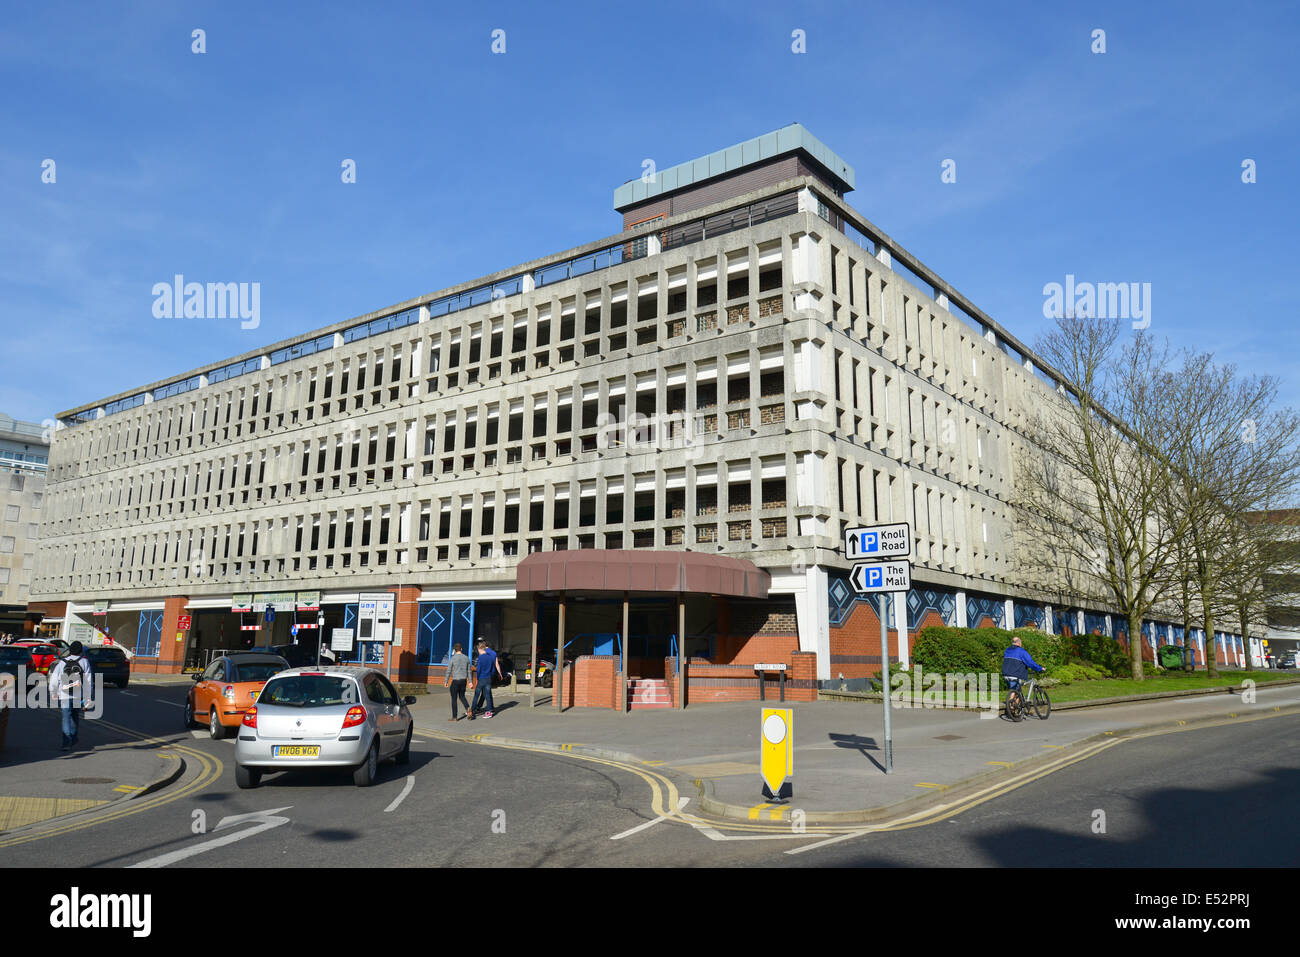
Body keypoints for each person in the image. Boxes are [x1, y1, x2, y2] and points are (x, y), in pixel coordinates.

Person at [47, 640, 93, 751]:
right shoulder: (84, 662)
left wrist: (53, 692)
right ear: (80, 651)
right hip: (78, 695)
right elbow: (88, 681)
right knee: (75, 717)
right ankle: (73, 737)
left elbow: (54, 679)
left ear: (70, 650)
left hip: (64, 695)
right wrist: (88, 696)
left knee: (66, 718)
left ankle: (66, 742)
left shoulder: (62, 662)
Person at [1001, 635, 1043, 705]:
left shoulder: (1007, 650)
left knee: (1017, 691)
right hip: (1015, 674)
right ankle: (1010, 707)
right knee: (1014, 691)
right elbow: (1030, 663)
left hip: (1006, 674)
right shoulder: (1022, 651)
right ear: (1019, 643)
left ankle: (1016, 711)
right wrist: (1040, 668)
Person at [468, 640, 502, 720]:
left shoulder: (480, 658)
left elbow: (479, 669)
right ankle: (489, 712)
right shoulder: (490, 657)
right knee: (487, 695)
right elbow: (493, 669)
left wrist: (478, 678)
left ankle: (473, 710)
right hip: (488, 678)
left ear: (480, 649)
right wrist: (490, 675)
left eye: (478, 650)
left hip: (482, 678)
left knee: (476, 695)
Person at [445, 642, 470, 721]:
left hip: (456, 681)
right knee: (462, 696)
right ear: (461, 649)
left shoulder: (452, 658)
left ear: (455, 650)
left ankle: (454, 717)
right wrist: (470, 682)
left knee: (454, 699)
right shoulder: (466, 658)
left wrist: (446, 681)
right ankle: (468, 708)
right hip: (463, 681)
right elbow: (469, 671)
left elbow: (448, 671)